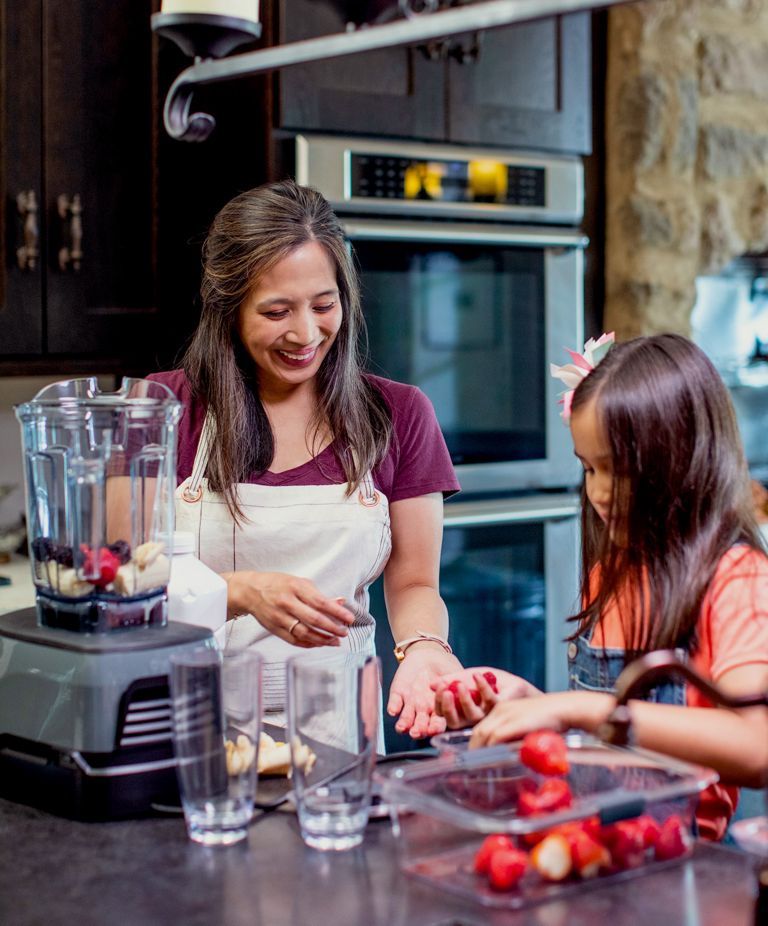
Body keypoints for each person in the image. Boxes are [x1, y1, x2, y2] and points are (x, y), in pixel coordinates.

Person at [149, 179, 463, 741]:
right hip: (183, 739)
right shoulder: (162, 408)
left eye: (324, 305)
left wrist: (423, 649)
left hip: (335, 742)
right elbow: (126, 581)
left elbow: (415, 583)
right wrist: (238, 592)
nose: (305, 333)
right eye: (276, 311)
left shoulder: (398, 414)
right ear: (229, 308)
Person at [432, 333, 768, 840]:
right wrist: (526, 705)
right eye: (589, 468)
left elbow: (756, 748)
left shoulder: (736, 580)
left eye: (619, 468)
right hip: (600, 846)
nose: (601, 491)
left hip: (685, 869)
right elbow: (602, 746)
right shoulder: (610, 573)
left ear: (684, 455)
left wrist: (581, 709)